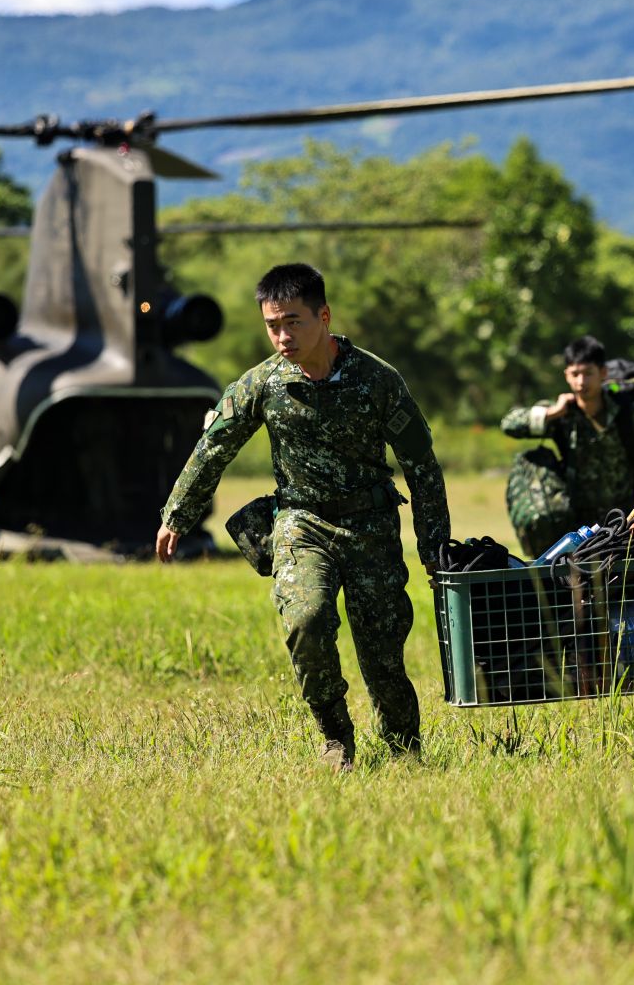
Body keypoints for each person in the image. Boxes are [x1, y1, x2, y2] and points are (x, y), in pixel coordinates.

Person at [156, 263, 450, 771]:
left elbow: (421, 464)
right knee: (306, 621)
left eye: (293, 322)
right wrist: (177, 514)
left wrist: (434, 547)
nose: (283, 336)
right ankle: (336, 738)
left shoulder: (377, 380)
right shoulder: (263, 384)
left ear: (324, 316)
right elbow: (213, 448)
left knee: (382, 657)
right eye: (272, 325)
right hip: (300, 523)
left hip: (371, 527)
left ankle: (405, 751)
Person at [500, 335, 634, 556]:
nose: (581, 382)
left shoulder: (628, 413)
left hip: (624, 519)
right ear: (566, 376)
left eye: (588, 373)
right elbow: (509, 424)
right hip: (580, 527)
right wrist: (552, 413)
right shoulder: (563, 416)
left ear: (603, 373)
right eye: (575, 374)